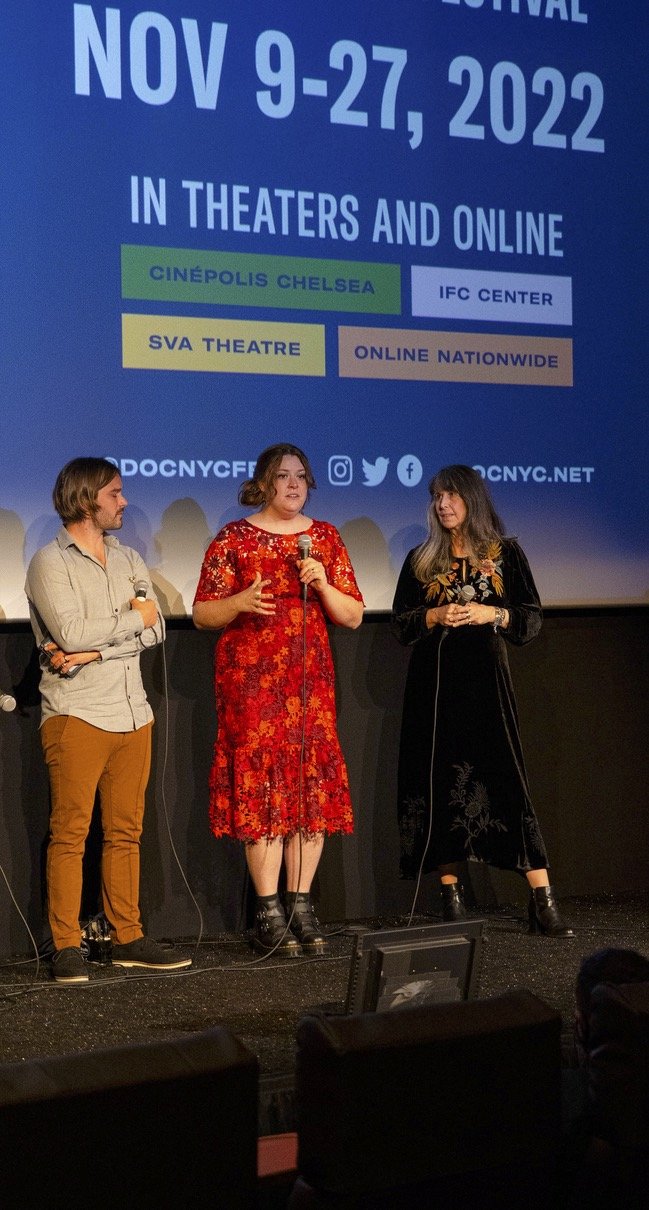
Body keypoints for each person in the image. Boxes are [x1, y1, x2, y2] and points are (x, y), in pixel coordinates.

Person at [193, 443, 363, 956]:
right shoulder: (234, 539)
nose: (293, 485)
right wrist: (239, 602)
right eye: (283, 476)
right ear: (264, 483)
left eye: (301, 477)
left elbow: (352, 616)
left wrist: (324, 583)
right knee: (263, 788)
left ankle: (302, 904)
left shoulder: (325, 539)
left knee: (308, 785)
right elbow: (202, 613)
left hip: (309, 682)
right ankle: (267, 910)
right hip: (252, 682)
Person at [25, 457, 192, 982]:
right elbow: (71, 632)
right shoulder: (50, 563)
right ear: (85, 498)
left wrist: (96, 653)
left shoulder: (129, 560)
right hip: (77, 713)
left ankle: (127, 937)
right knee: (70, 834)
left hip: (132, 712)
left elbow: (157, 631)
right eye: (115, 494)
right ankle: (67, 944)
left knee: (126, 832)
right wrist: (124, 625)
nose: (124, 502)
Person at [391, 464, 573, 936]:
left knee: (507, 784)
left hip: (487, 690)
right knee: (437, 785)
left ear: (473, 499)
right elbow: (401, 623)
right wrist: (433, 614)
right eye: (436, 497)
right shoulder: (421, 559)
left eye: (451, 496)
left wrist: (493, 612)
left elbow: (530, 621)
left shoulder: (506, 553)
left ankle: (542, 898)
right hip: (434, 692)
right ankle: (450, 896)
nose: (443, 504)